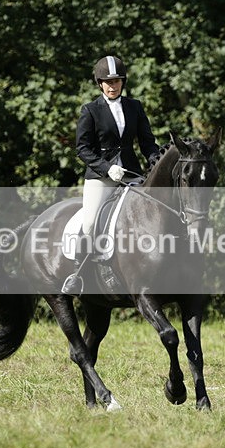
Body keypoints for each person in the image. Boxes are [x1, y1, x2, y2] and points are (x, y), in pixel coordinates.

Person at [62, 55, 161, 294]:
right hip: (101, 177)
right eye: (107, 81)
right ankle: (78, 274)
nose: (112, 85)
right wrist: (107, 168)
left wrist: (155, 161)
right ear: (99, 83)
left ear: (122, 82)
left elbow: (148, 142)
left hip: (131, 174)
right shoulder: (91, 110)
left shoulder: (134, 107)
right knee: (90, 222)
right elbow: (82, 149)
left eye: (116, 81)